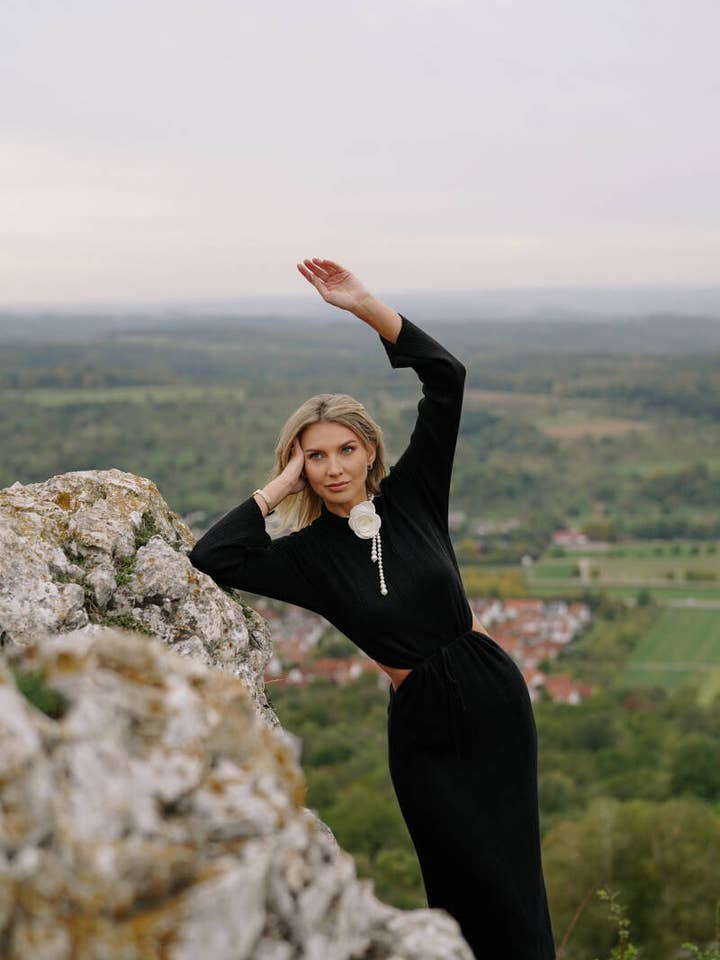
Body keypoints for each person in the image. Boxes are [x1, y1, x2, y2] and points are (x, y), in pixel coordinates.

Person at [188, 257, 557, 959]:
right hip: (422, 728)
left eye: (344, 450)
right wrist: (275, 489)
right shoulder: (306, 556)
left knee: (514, 875)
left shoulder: (414, 496)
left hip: (494, 701)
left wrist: (364, 306)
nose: (332, 467)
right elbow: (214, 558)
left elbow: (447, 378)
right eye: (314, 457)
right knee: (460, 878)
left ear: (370, 451)